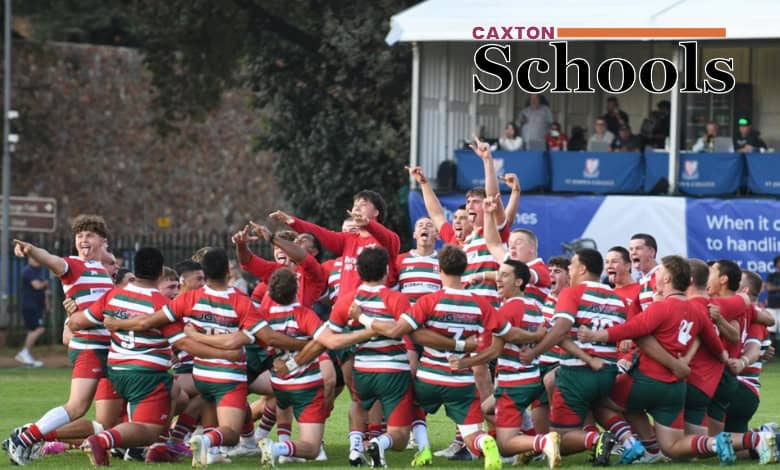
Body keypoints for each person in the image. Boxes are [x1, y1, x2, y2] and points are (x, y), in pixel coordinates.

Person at [67, 247, 244, 466]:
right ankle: (103, 441)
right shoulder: (160, 304)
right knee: (148, 429)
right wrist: (227, 353)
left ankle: (158, 445)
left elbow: (76, 323)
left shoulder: (113, 295)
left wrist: (72, 311)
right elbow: (183, 343)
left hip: (116, 372)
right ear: (161, 272)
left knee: (174, 392)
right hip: (145, 375)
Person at [5, 215, 116, 466]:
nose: (83, 240)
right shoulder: (73, 265)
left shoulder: (102, 268)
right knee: (77, 407)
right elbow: (52, 260)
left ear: (102, 241)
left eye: (89, 235)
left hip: (108, 348)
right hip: (89, 345)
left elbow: (107, 262)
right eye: (79, 236)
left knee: (107, 416)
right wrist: (32, 249)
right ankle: (25, 438)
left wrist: (107, 257)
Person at [17, 257, 48, 368]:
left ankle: (26, 355)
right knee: (39, 329)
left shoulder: (38, 271)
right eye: (32, 257)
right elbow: (37, 285)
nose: (35, 260)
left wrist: (46, 304)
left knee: (32, 330)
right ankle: (24, 352)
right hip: (30, 306)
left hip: (36, 306)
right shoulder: (28, 271)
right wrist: (45, 283)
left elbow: (43, 290)